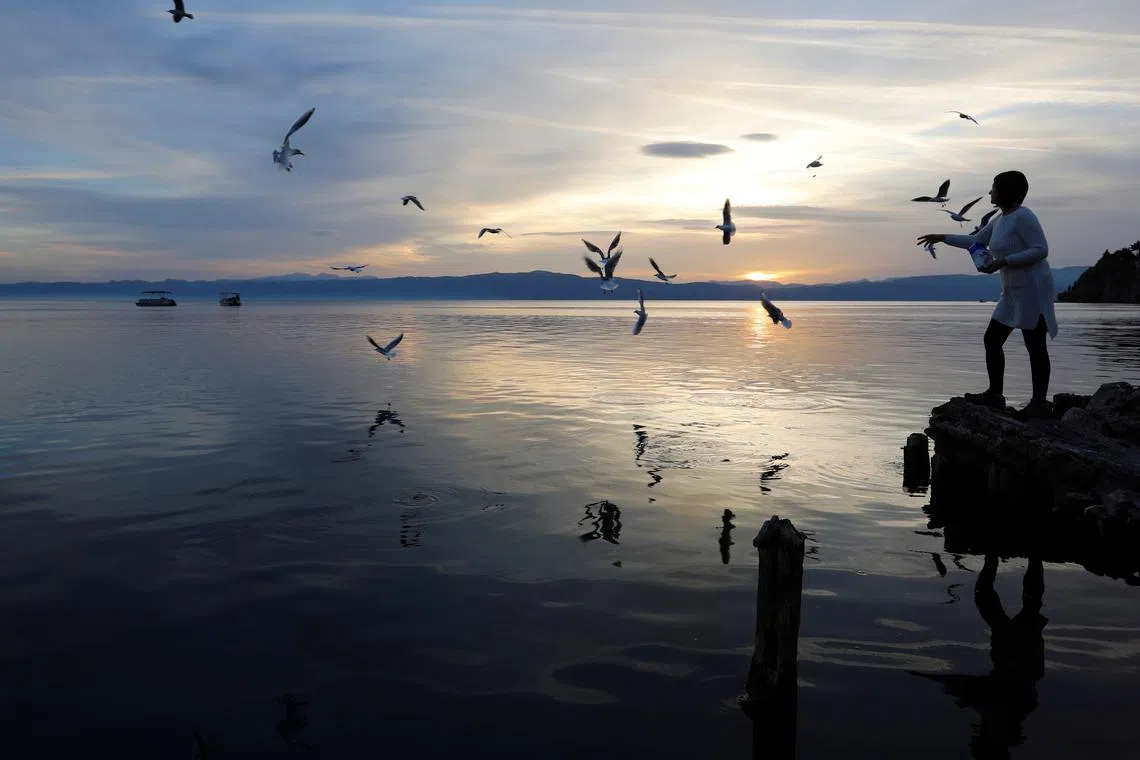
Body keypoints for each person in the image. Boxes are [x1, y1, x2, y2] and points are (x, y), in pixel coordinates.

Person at [918, 171, 1058, 418]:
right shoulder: (1000, 220)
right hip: (1012, 291)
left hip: (1033, 290)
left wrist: (1005, 261)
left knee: (1035, 345)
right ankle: (995, 395)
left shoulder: (1024, 217)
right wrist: (942, 237)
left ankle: (1039, 403)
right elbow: (976, 241)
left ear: (1005, 191)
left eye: (993, 187)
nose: (990, 191)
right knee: (992, 339)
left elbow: (1041, 250)